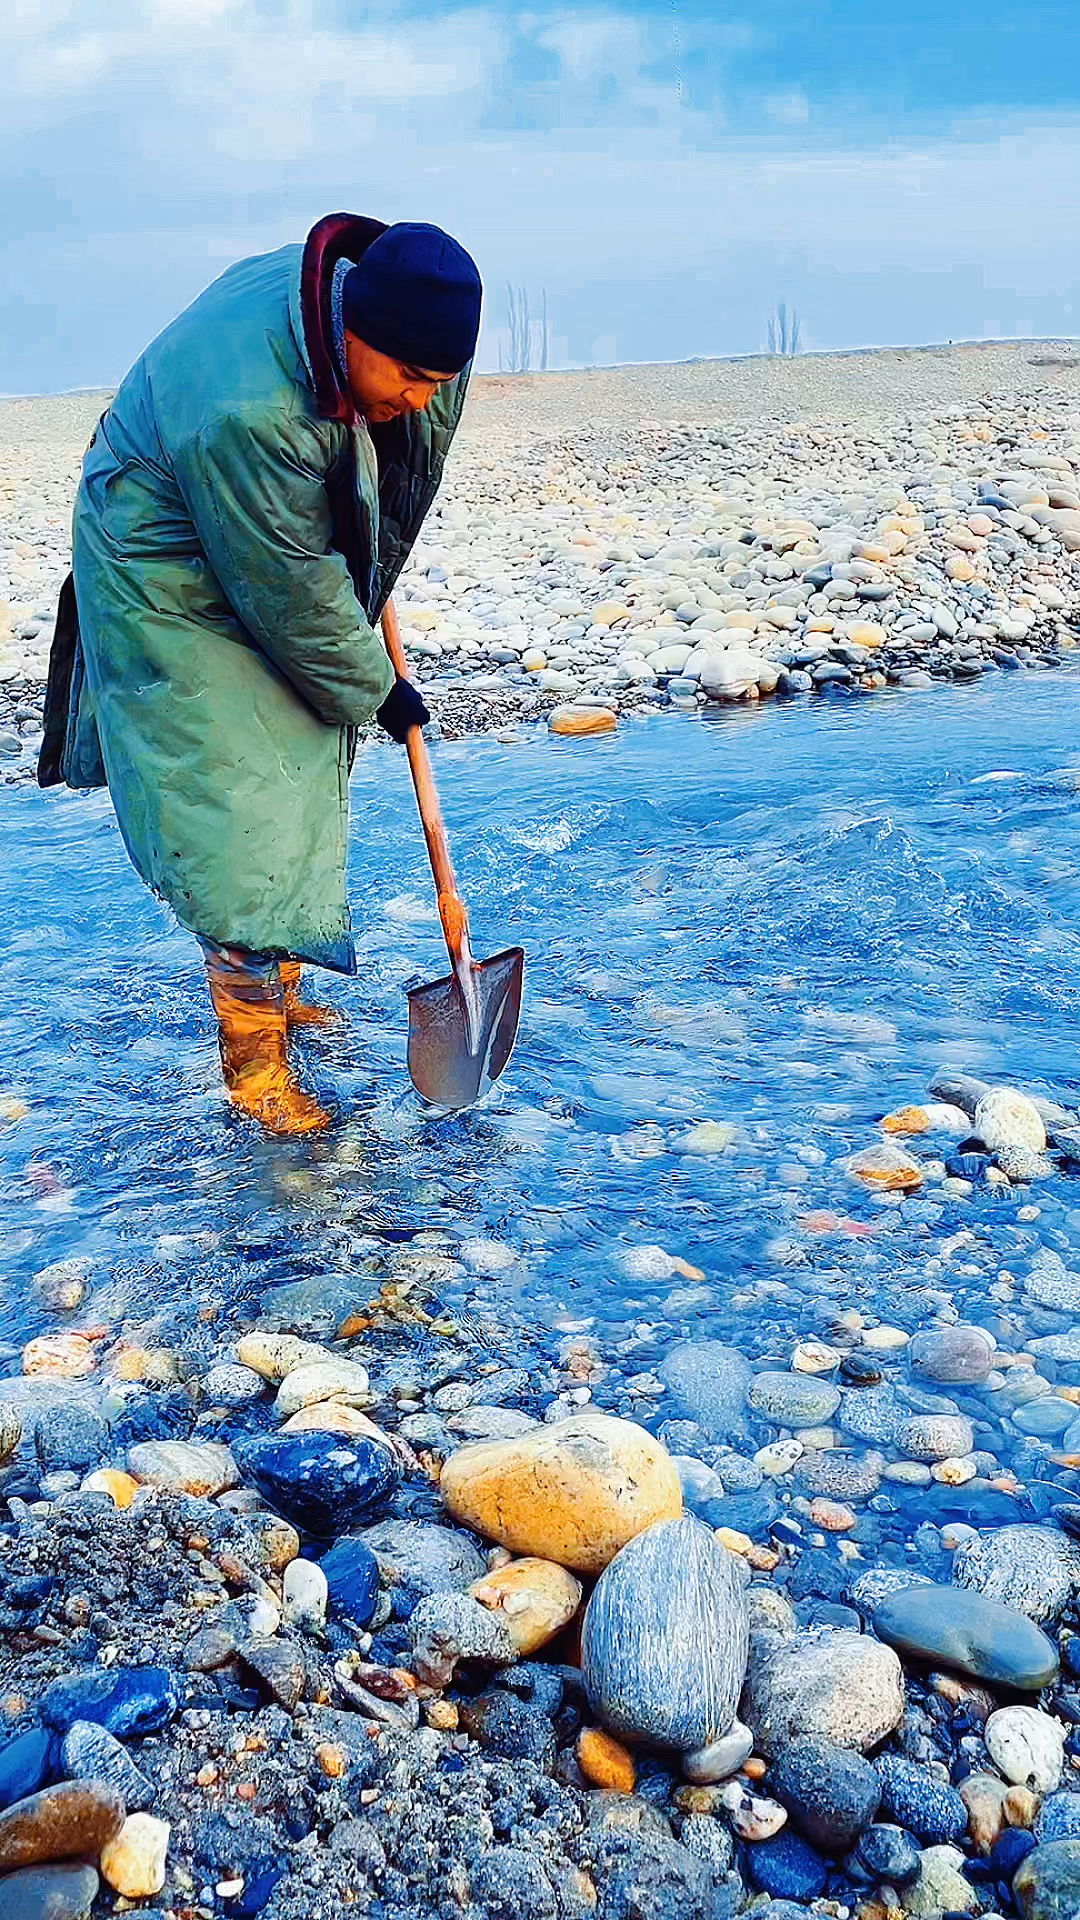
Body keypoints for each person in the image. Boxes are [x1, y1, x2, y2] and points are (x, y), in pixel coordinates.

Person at [38, 212, 482, 1136]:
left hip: (245, 517)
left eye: (436, 382)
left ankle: (276, 987)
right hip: (158, 553)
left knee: (304, 747)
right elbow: (288, 588)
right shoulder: (249, 410)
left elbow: (358, 496)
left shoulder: (369, 322)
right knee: (237, 794)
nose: (416, 396)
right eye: (405, 376)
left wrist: (369, 572)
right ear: (353, 333)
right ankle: (254, 1065)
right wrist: (379, 689)